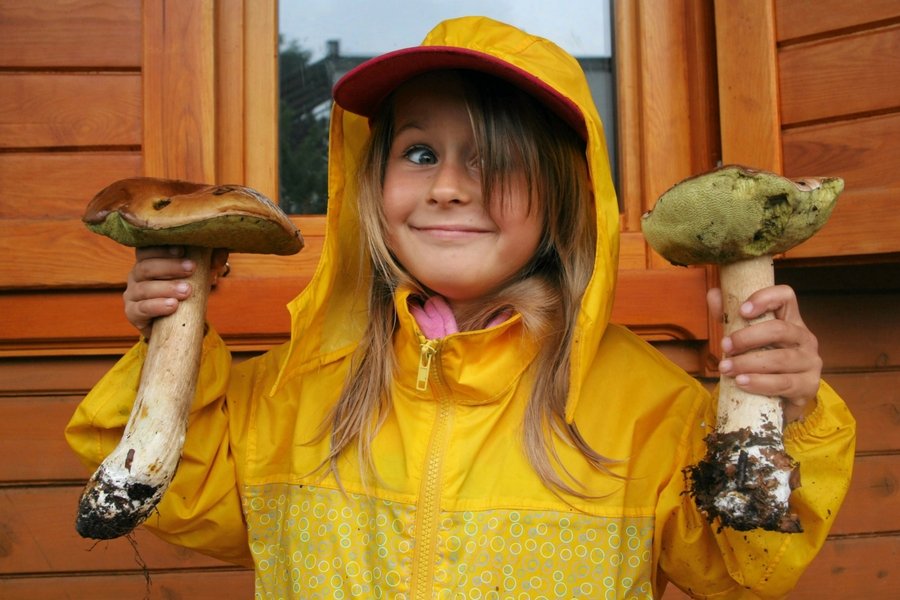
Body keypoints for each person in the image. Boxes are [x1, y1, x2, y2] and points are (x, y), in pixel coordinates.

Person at [67, 16, 855, 598]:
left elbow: (744, 564)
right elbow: (184, 502)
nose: (449, 185)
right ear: (369, 182)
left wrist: (793, 418)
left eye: (494, 159)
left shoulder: (647, 407)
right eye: (419, 152)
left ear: (564, 195)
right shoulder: (295, 387)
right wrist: (174, 333)